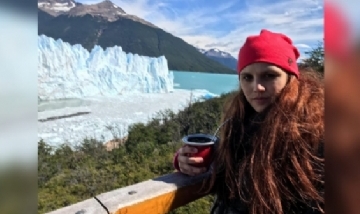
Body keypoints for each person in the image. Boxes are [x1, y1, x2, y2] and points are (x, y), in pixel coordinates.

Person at [173, 29, 324, 214]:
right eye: (247, 77)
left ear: (290, 78)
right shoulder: (241, 124)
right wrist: (189, 159)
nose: (257, 87)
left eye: (269, 75)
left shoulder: (315, 136)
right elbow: (237, 164)